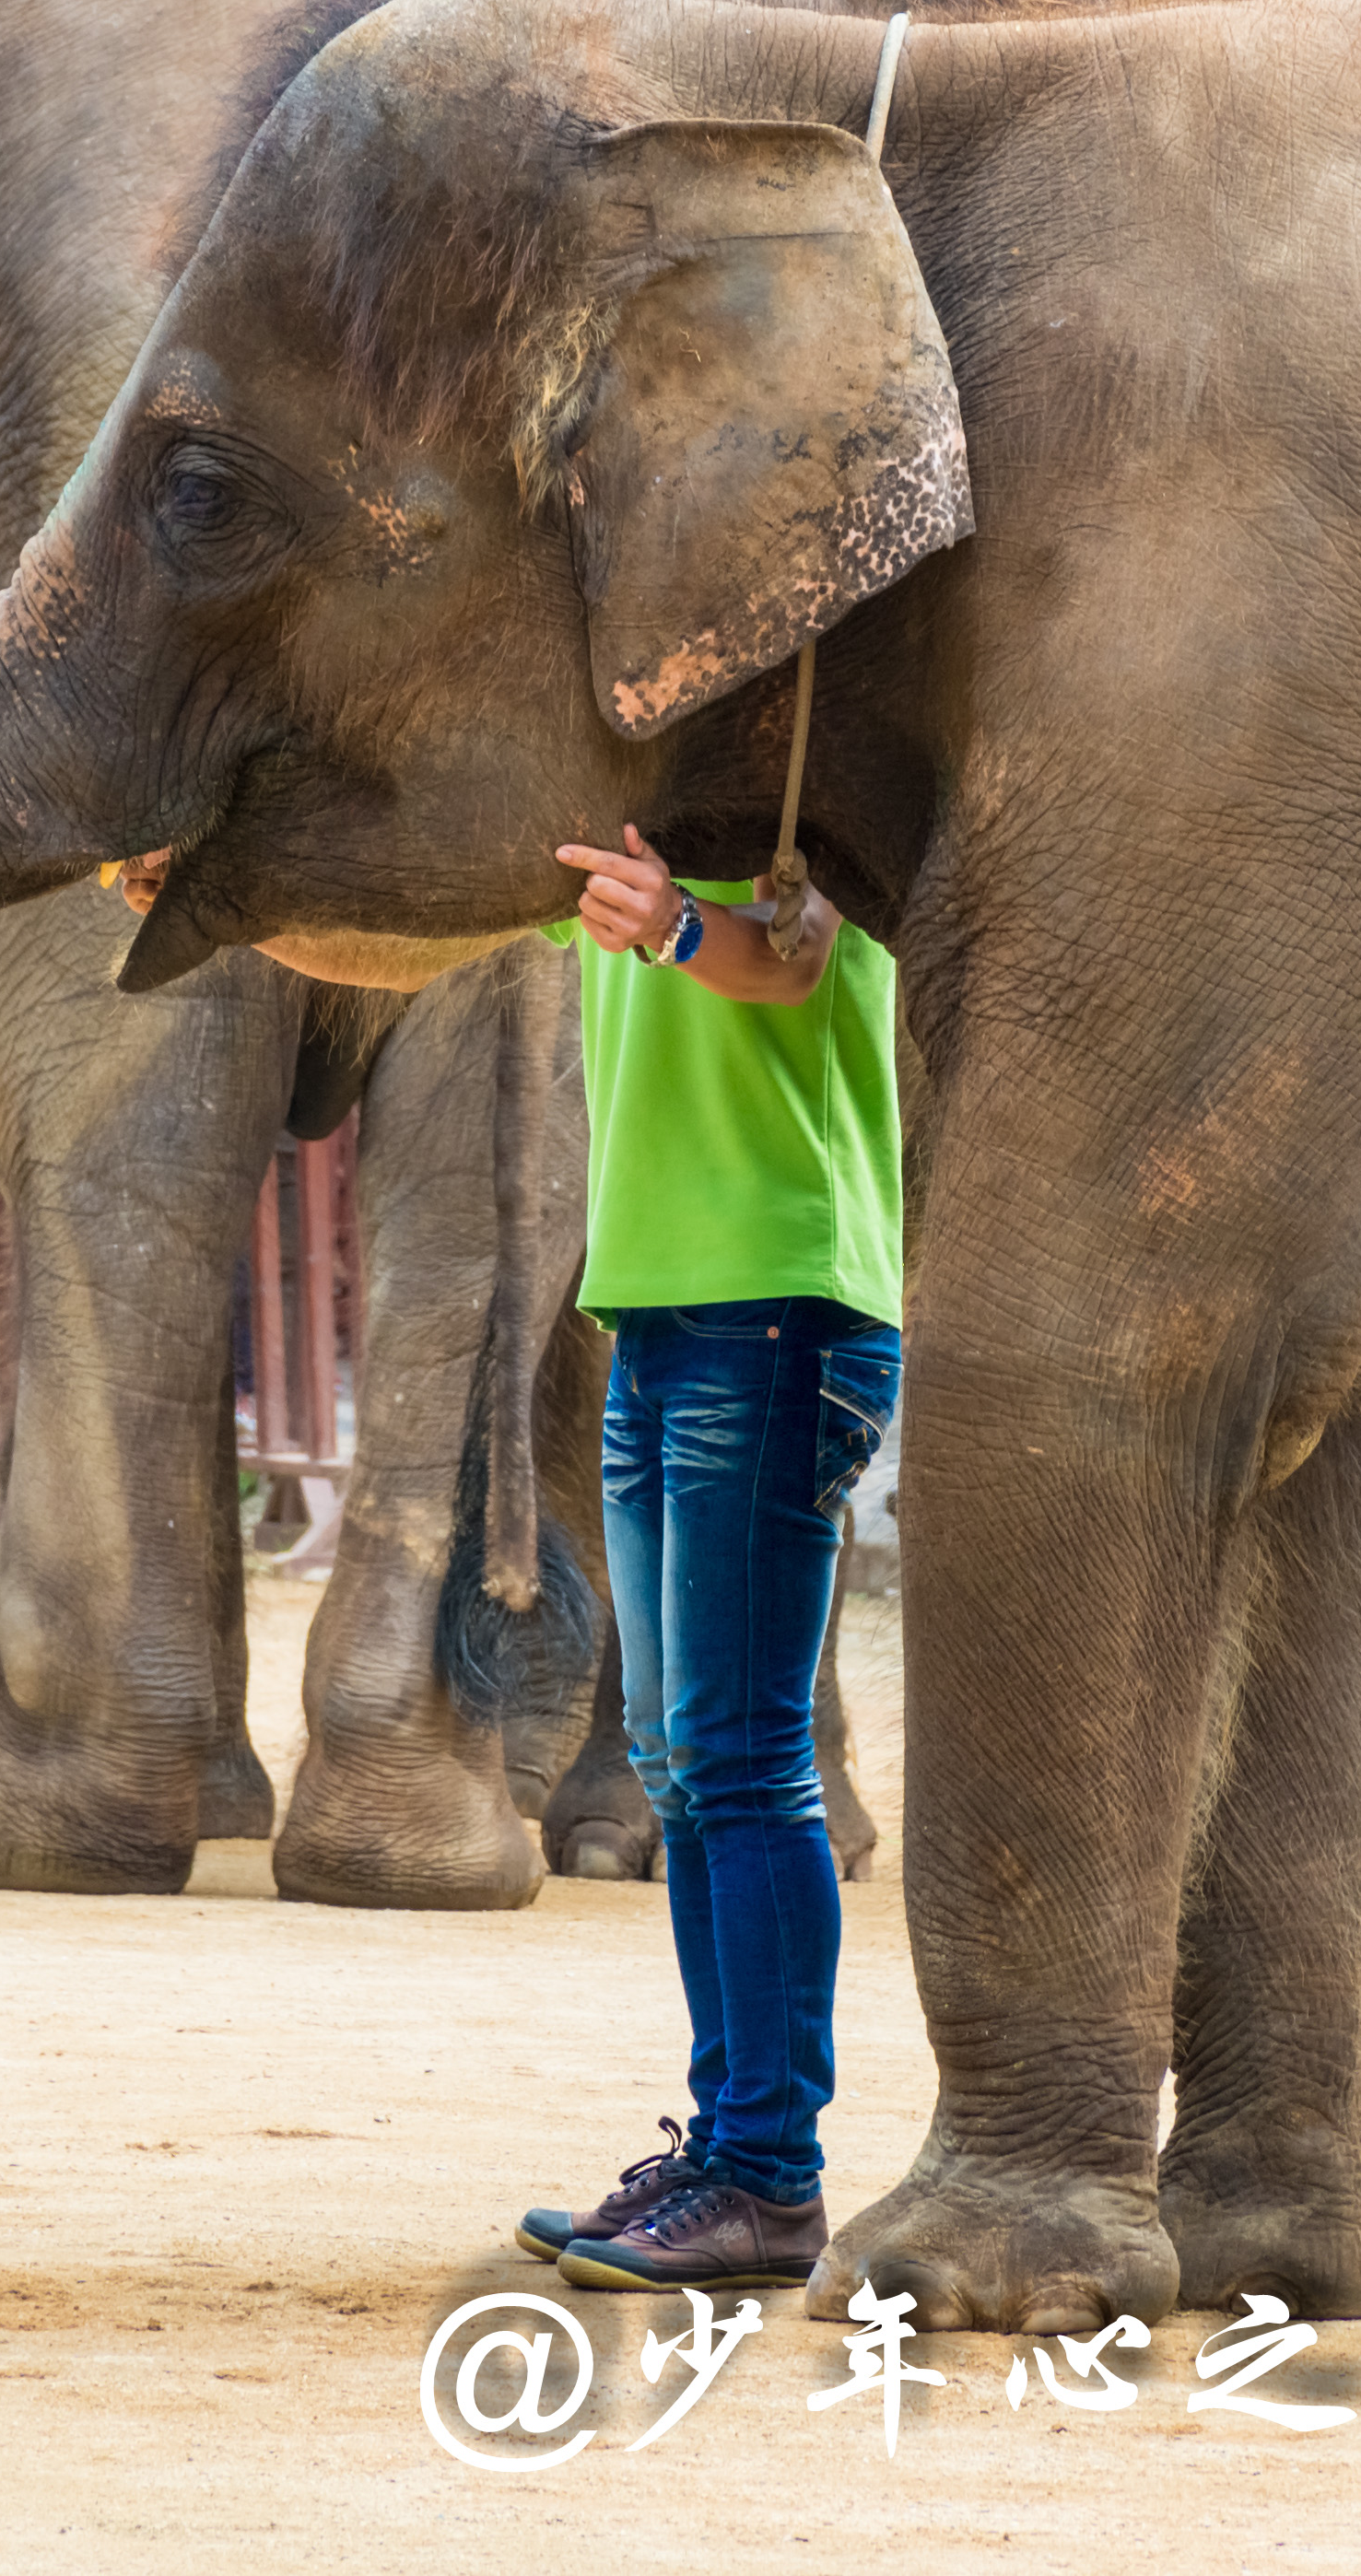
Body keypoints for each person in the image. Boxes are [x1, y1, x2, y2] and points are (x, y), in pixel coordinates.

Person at [522, 818, 904, 2298]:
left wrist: (679, 924)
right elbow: (408, 921)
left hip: (779, 1299)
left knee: (743, 1756)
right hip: (664, 1313)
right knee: (678, 1758)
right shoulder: (626, 816)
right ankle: (729, 2145)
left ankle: (767, 2175)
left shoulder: (807, 783)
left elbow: (797, 964)